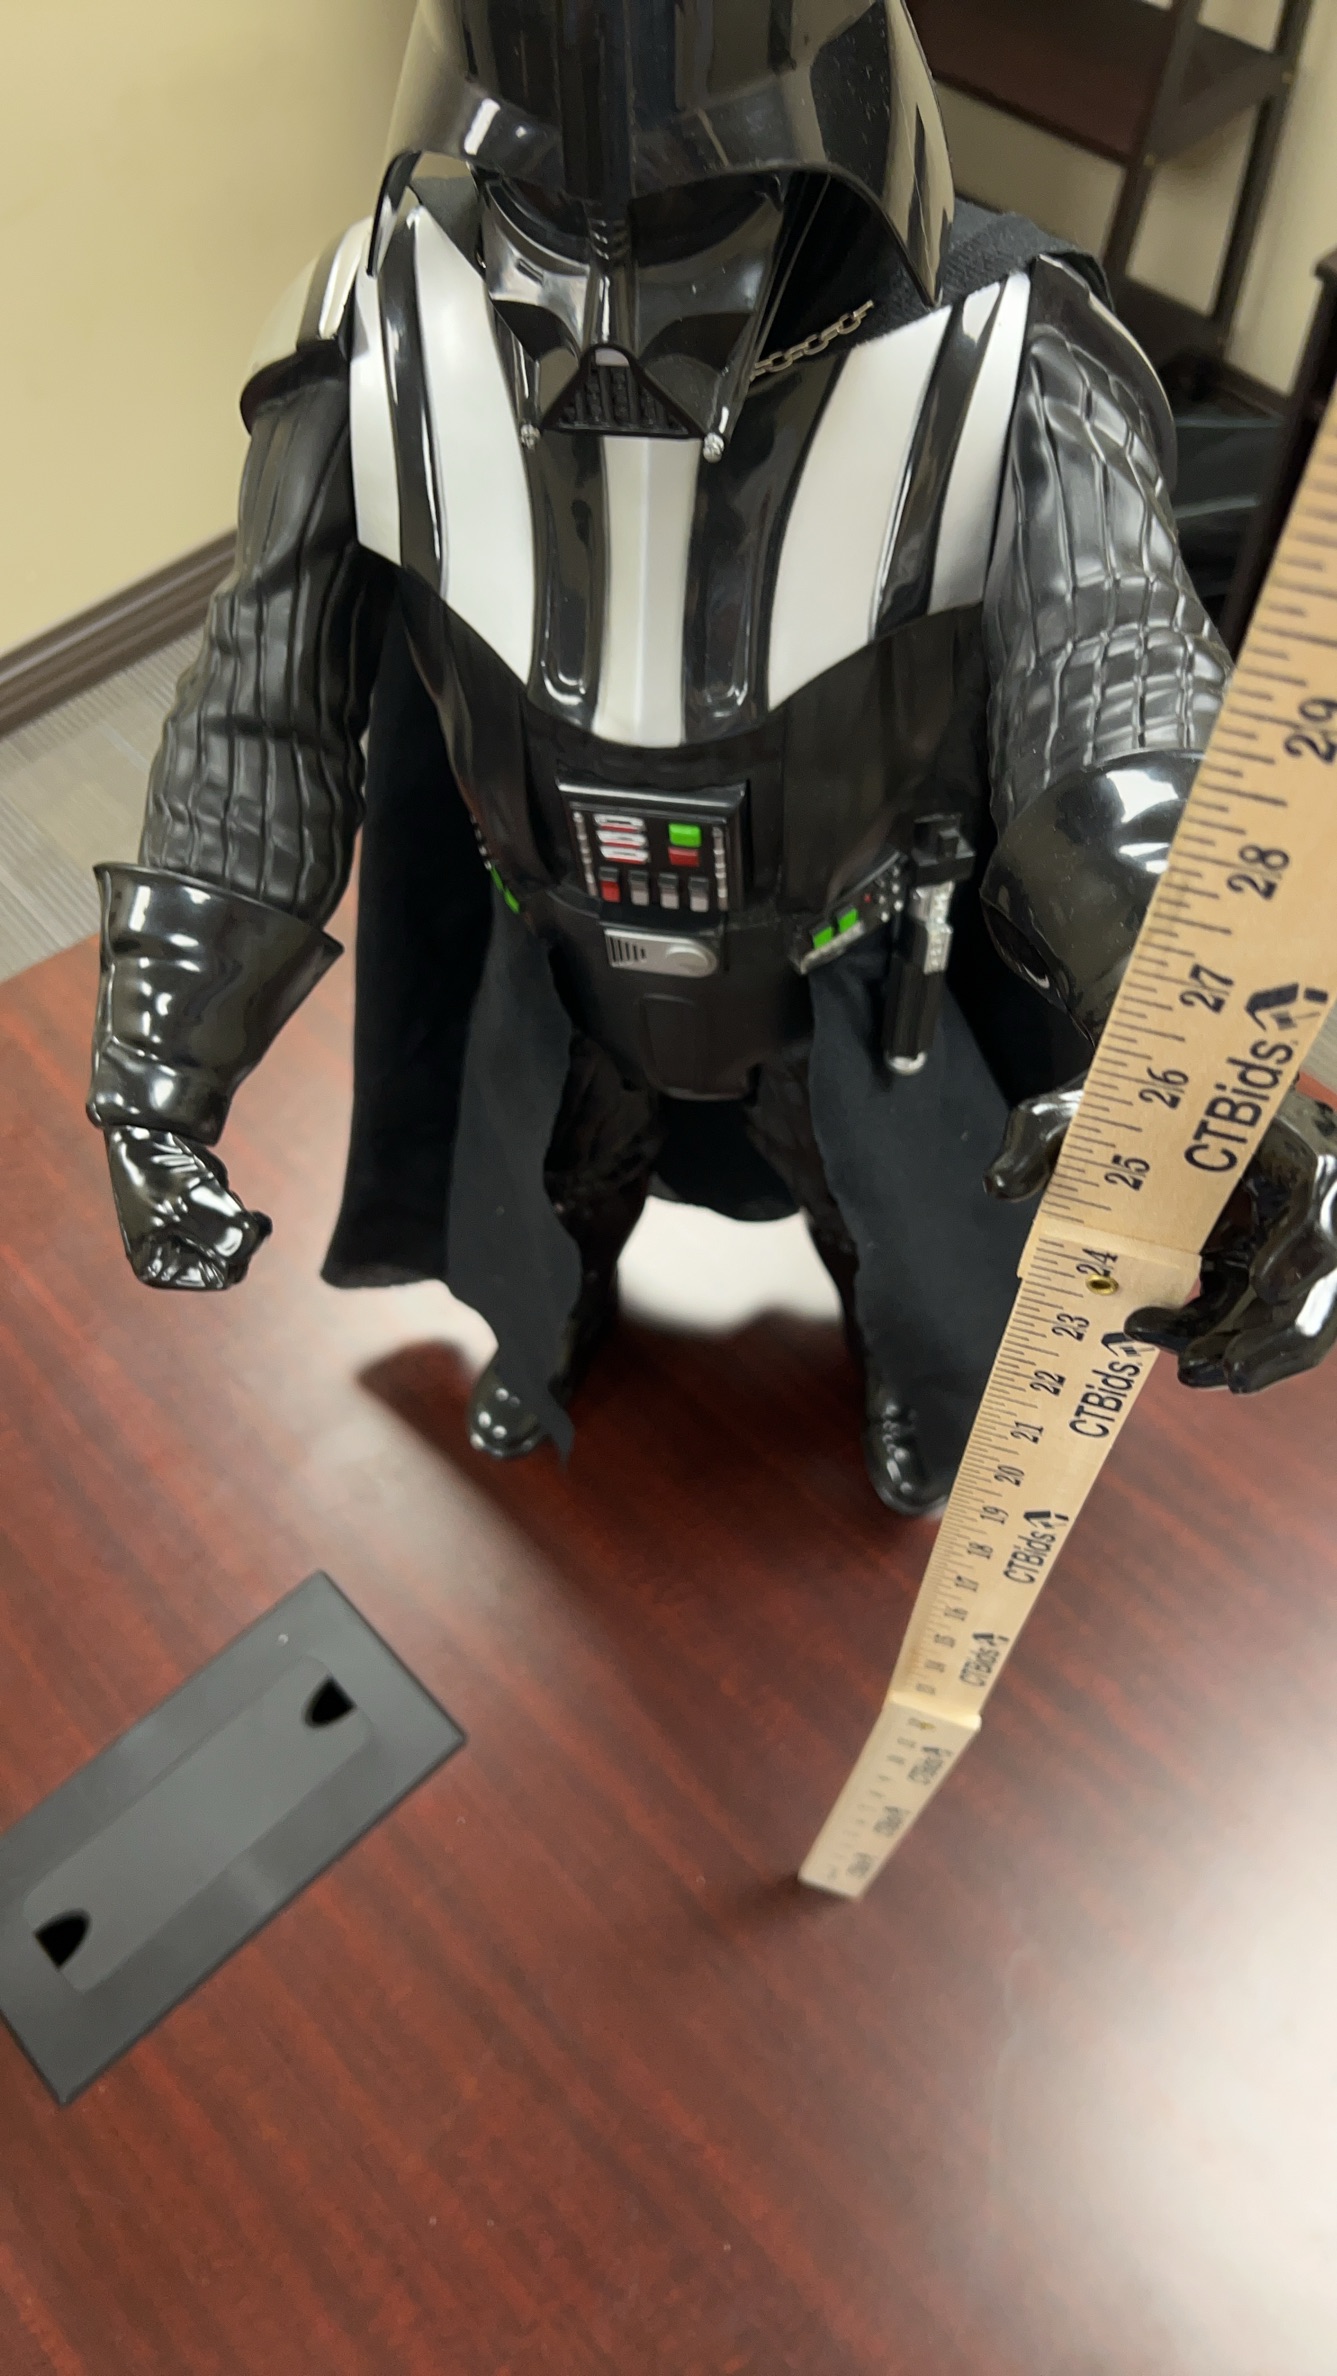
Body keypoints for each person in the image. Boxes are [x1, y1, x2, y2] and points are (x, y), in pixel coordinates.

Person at [87, 0, 1337, 1517]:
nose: (606, 315)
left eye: (683, 218)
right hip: (552, 937)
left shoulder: (1007, 347)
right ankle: (544, 1334)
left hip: (857, 957)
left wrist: (1202, 1062)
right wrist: (158, 1055)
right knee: (543, 1196)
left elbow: (1121, 705)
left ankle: (918, 1381)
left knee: (897, 1226)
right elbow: (261, 703)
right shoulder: (375, 322)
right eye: (551, 215)